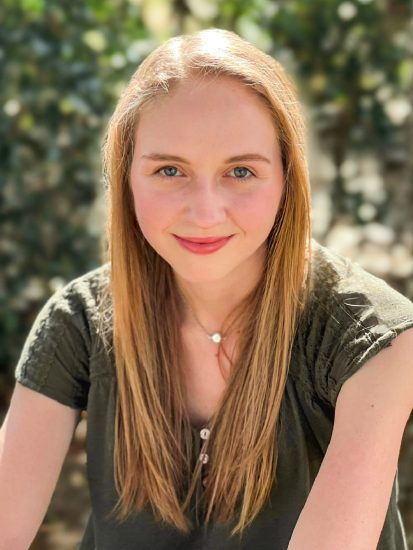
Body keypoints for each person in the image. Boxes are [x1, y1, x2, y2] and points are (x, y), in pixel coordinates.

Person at [1, 27, 413, 550]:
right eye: (170, 170)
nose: (205, 213)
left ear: (288, 180)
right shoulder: (79, 322)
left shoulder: (375, 340)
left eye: (241, 171)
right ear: (126, 176)